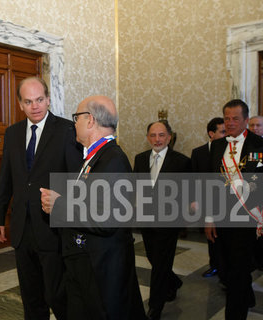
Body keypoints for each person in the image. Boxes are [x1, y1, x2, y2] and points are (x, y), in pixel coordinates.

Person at [40, 95, 147, 320]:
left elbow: (106, 218)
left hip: (102, 269)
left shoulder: (113, 159)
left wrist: (59, 205)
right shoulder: (95, 156)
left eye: (76, 117)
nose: (74, 124)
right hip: (87, 262)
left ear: (90, 120)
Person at [0, 77, 82, 320]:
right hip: (22, 228)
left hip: (53, 229)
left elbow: (76, 179)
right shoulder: (12, 133)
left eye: (40, 99)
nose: (35, 106)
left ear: (48, 99)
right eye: (28, 101)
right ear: (20, 104)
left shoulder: (66, 131)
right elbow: (6, 178)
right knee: (31, 299)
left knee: (58, 296)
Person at [205, 99, 263, 319]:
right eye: (226, 118)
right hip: (221, 218)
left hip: (248, 219)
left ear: (246, 120)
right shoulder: (218, 146)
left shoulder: (259, 144)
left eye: (235, 119)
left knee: (238, 270)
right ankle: (247, 295)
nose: (229, 123)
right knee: (226, 269)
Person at [133, 121, 191, 320]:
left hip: (168, 221)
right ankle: (173, 282)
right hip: (146, 219)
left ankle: (155, 308)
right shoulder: (140, 159)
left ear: (169, 137)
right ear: (148, 137)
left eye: (161, 135)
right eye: (153, 135)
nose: (157, 139)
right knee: (153, 257)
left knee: (159, 265)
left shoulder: (181, 161)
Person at [190, 117, 226, 279]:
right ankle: (215, 266)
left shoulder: (229, 150)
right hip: (206, 200)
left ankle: (226, 268)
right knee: (211, 235)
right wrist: (193, 199)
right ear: (211, 133)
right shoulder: (199, 152)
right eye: (222, 131)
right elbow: (193, 179)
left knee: (224, 237)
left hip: (225, 200)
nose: (226, 134)